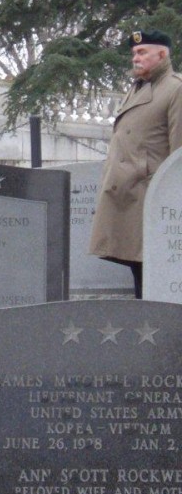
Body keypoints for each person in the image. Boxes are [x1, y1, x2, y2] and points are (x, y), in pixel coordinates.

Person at [89, 29, 182, 298]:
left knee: (150, 271)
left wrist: (172, 196)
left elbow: (178, 152)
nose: (135, 58)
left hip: (149, 194)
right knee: (137, 268)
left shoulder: (175, 89)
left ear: (162, 54)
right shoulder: (139, 87)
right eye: (133, 53)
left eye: (142, 52)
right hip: (128, 193)